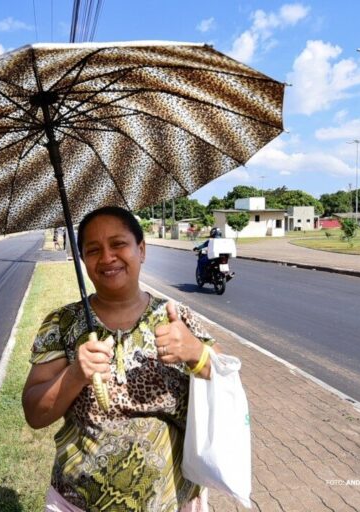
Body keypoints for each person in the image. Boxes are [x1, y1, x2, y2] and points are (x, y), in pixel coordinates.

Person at [23, 206, 220, 512]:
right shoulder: (62, 323)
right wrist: (75, 374)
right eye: (93, 249)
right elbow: (35, 415)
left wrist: (197, 353)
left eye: (118, 244)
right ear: (83, 260)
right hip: (77, 502)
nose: (107, 257)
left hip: (174, 500)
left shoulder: (175, 317)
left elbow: (226, 381)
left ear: (141, 249)